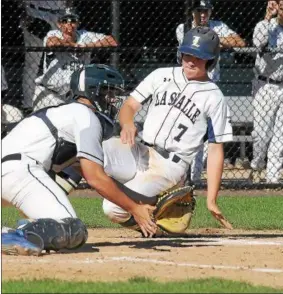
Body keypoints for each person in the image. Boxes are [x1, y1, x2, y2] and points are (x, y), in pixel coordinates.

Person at [1, 64, 157, 256]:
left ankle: (23, 232)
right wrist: (134, 209)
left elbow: (98, 177)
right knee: (72, 229)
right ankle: (10, 237)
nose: (113, 99)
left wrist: (147, 201)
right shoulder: (86, 116)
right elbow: (96, 179)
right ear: (92, 91)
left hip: (12, 171)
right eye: (107, 92)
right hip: (20, 171)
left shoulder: (69, 113)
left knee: (53, 224)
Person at [101, 27, 233, 230]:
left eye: (198, 57)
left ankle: (151, 219)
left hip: (169, 166)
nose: (190, 60)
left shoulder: (214, 97)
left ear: (210, 60)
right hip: (139, 151)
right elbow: (129, 106)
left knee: (112, 208)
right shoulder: (161, 75)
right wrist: (127, 123)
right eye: (188, 54)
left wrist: (211, 199)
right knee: (93, 152)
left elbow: (216, 149)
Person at [176, 0, 246, 184]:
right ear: (192, 12)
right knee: (189, 133)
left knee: (209, 137)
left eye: (206, 10)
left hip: (211, 88)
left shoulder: (218, 26)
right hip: (188, 87)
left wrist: (213, 39)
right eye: (199, 11)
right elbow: (194, 48)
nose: (203, 15)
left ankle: (196, 179)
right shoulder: (183, 28)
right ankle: (185, 178)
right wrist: (215, 42)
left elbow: (239, 42)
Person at [32, 9, 118, 111]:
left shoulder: (84, 35)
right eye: (64, 21)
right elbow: (52, 42)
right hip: (50, 93)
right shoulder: (53, 33)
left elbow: (112, 41)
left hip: (73, 95)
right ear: (59, 24)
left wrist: (85, 46)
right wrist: (75, 46)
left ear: (77, 23)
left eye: (72, 20)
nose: (69, 24)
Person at [249, 0, 283, 184]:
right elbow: (258, 42)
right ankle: (257, 166)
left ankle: (273, 178)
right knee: (261, 133)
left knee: (281, 134)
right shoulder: (266, 25)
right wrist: (268, 17)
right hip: (265, 84)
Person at [20, 0, 69, 110]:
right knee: (33, 61)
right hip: (37, 13)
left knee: (64, 59)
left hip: (61, 15)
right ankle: (27, 104)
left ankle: (64, 98)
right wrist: (24, 12)